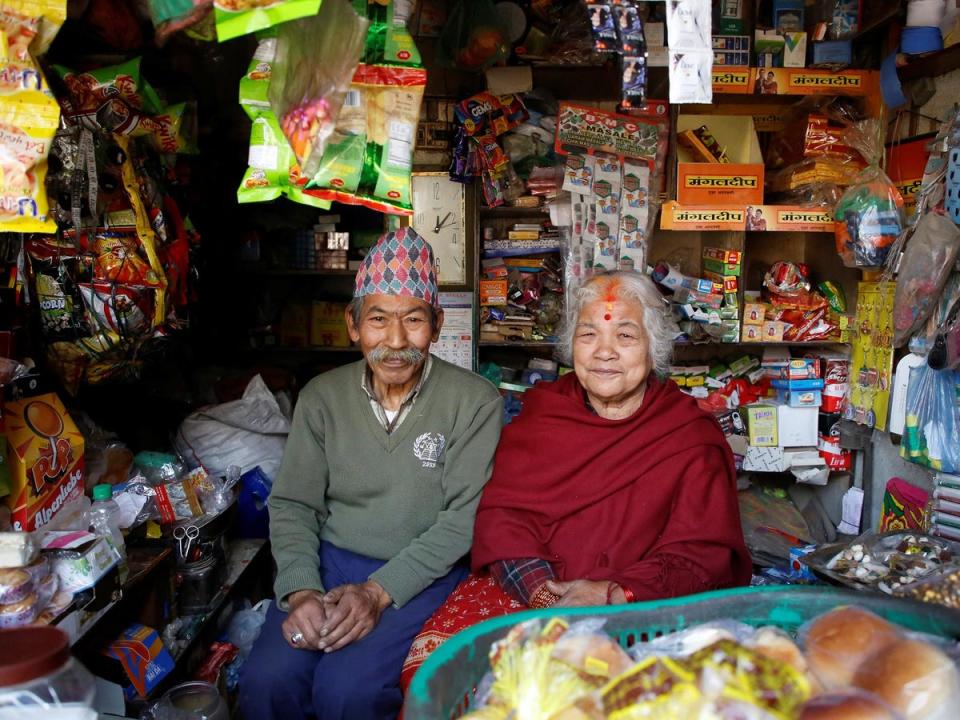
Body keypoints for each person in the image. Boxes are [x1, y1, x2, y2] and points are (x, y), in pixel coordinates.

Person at [401, 271, 752, 689]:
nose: (604, 353)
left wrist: (613, 594)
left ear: (653, 349)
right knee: (441, 672)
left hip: (642, 609)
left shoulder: (689, 437)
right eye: (588, 335)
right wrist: (548, 600)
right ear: (571, 345)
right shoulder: (543, 416)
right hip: (532, 595)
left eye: (625, 336)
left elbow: (702, 555)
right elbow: (503, 519)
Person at [241, 228, 503, 720]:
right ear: (353, 325)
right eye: (379, 320)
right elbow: (295, 503)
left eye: (414, 320)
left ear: (438, 325)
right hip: (328, 563)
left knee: (349, 693)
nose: (397, 341)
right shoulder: (321, 397)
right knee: (267, 682)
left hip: (420, 573)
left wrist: (377, 593)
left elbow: (463, 520)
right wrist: (301, 589)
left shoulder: (475, 402)